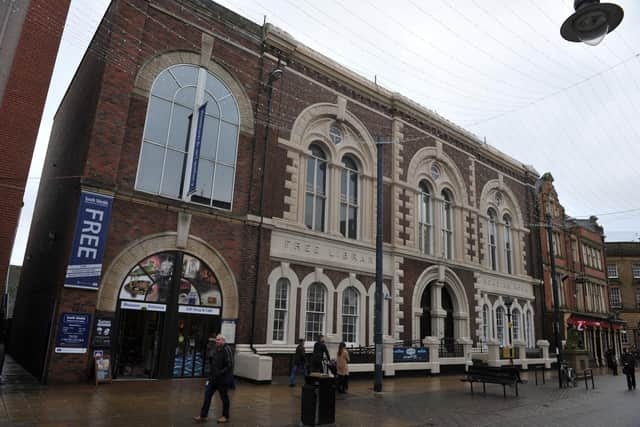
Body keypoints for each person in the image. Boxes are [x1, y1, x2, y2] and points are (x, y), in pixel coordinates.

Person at [193, 335, 234, 424]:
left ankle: (225, 416)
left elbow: (229, 364)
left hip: (222, 380)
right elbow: (211, 360)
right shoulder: (215, 349)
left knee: (224, 398)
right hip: (212, 379)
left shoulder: (227, 349)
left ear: (223, 340)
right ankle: (203, 415)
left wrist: (220, 373)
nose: (217, 341)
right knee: (207, 396)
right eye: (216, 340)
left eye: (219, 340)